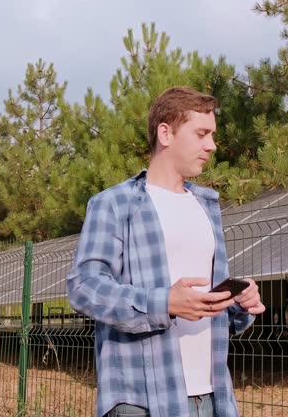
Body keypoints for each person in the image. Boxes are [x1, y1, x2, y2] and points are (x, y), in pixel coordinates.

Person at [67, 86, 265, 416]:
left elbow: (213, 310)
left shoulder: (208, 206)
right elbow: (84, 287)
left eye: (212, 135)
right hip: (143, 400)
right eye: (202, 133)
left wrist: (240, 302)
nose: (212, 145)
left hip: (212, 397)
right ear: (166, 133)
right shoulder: (115, 204)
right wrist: (164, 303)